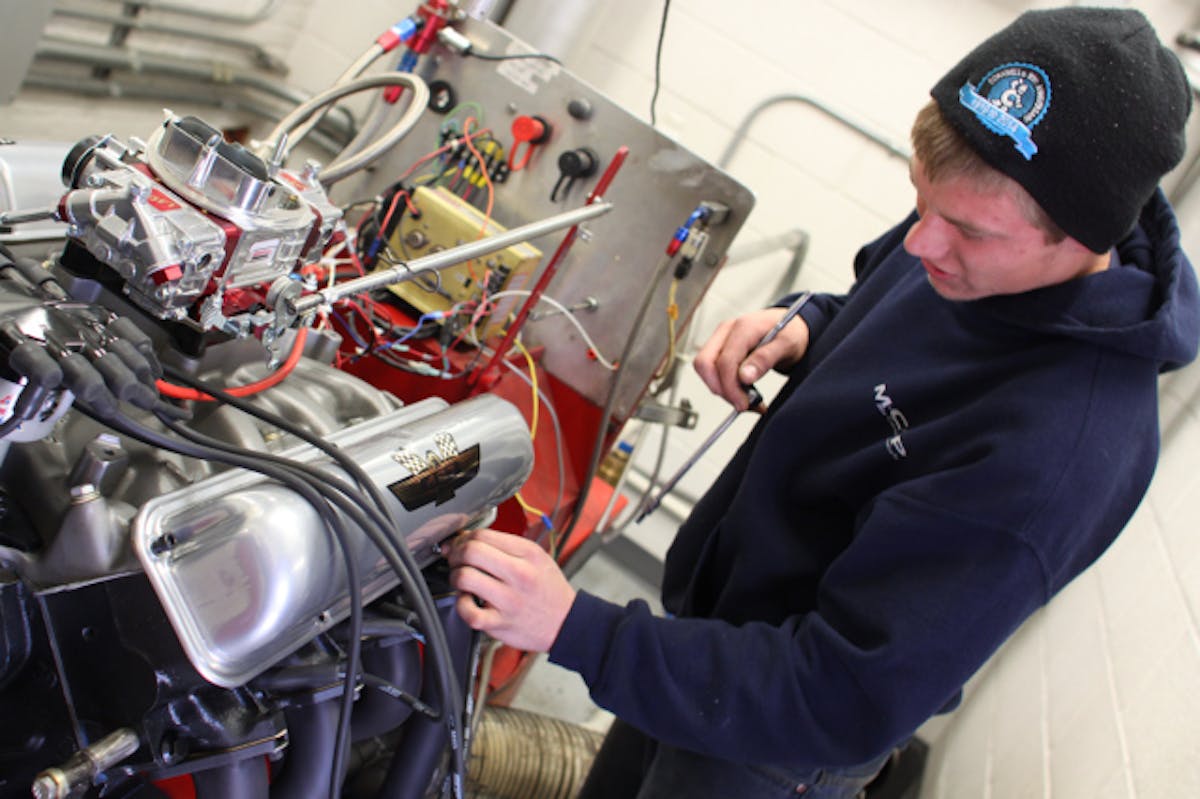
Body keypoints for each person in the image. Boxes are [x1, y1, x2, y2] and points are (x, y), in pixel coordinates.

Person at [447, 7, 1200, 798]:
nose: (922, 246)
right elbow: (877, 299)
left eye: (967, 233)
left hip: (777, 742)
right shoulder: (978, 225)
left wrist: (578, 630)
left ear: (1080, 239)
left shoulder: (1058, 452)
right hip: (706, 650)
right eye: (921, 200)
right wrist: (808, 323)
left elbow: (840, 695)